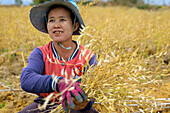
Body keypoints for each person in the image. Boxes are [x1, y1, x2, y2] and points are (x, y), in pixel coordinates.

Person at [19, 0, 98, 113]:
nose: (56, 25)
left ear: (75, 26)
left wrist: (83, 103)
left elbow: (93, 92)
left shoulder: (87, 57)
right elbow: (26, 79)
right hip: (46, 105)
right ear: (47, 26)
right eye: (51, 20)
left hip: (76, 108)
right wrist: (58, 82)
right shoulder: (41, 53)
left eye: (62, 20)